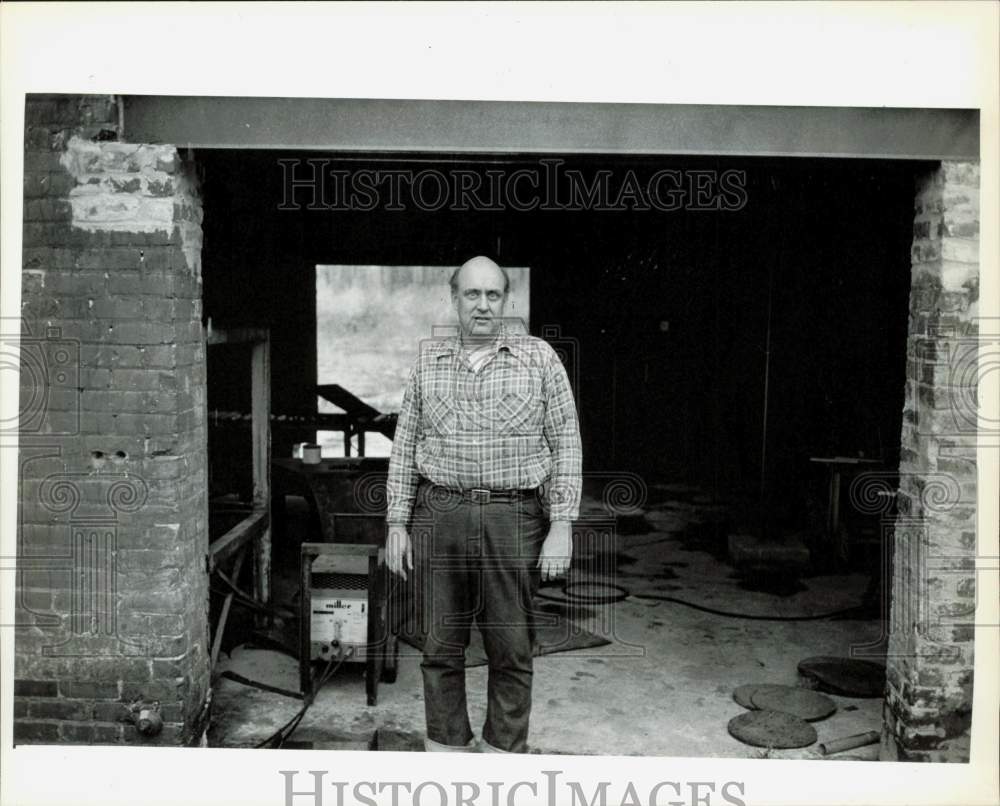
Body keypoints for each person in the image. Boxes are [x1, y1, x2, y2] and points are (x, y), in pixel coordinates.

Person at [385, 255, 582, 753]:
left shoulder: (539, 359)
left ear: (507, 300)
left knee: (511, 646)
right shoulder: (428, 361)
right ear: (454, 299)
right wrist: (396, 523)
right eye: (472, 294)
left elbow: (567, 443)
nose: (483, 305)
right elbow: (405, 445)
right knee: (440, 646)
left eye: (493, 295)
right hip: (441, 513)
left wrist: (562, 524)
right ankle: (447, 751)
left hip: (512, 516)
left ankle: (502, 756)